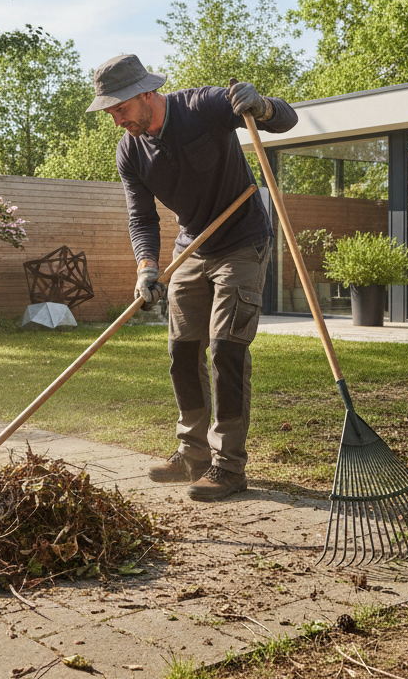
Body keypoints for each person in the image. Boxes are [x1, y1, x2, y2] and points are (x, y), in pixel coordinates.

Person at [86, 53, 298, 501]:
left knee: (226, 348)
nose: (116, 119)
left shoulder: (204, 106)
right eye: (110, 112)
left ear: (146, 94)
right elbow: (141, 218)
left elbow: (287, 119)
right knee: (182, 351)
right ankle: (193, 454)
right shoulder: (130, 151)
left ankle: (229, 465)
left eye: (120, 108)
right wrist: (146, 266)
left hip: (241, 240)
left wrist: (262, 106)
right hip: (192, 248)